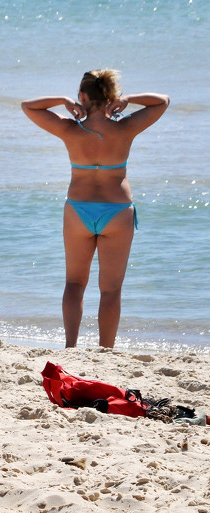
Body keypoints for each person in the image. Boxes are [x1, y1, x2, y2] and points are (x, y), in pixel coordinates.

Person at [21, 71, 168, 348]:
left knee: (74, 284)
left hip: (78, 210)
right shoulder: (125, 128)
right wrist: (128, 100)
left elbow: (28, 106)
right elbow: (162, 101)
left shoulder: (69, 129)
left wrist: (63, 101)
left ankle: (71, 346)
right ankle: (106, 349)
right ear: (111, 97)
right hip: (117, 211)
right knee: (111, 290)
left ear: (83, 96)